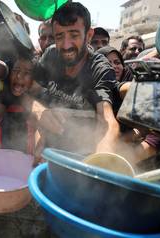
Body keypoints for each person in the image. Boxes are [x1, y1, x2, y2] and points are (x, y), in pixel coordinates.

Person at [28, 2, 120, 163]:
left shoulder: (100, 68)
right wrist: (40, 112)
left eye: (74, 35)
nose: (66, 45)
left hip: (82, 158)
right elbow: (30, 93)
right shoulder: (51, 55)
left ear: (89, 35)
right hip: (48, 152)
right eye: (59, 36)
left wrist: (99, 163)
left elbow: (108, 122)